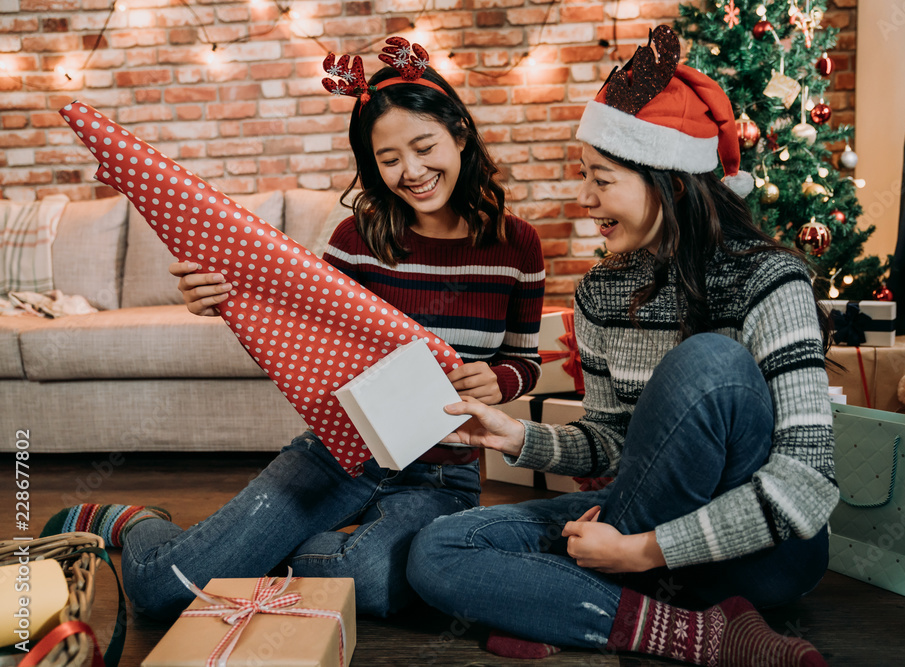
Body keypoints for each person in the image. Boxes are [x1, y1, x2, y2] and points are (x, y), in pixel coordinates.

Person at [42, 39, 544, 620]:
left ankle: (263, 552)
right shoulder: (357, 240)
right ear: (371, 165)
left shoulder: (518, 243)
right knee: (162, 591)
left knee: (375, 583)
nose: (412, 171)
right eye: (388, 159)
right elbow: (299, 340)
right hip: (340, 454)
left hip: (439, 475)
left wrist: (498, 382)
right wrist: (222, 302)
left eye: (425, 146)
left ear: (460, 134)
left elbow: (524, 361)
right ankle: (138, 524)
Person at [406, 25, 834, 667]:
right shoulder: (603, 292)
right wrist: (518, 438)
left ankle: (563, 600)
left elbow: (807, 485)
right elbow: (612, 441)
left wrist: (639, 551)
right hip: (643, 526)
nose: (585, 201)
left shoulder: (769, 280)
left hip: (759, 556)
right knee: (435, 550)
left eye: (601, 180)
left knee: (710, 365)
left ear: (673, 184)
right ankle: (704, 635)